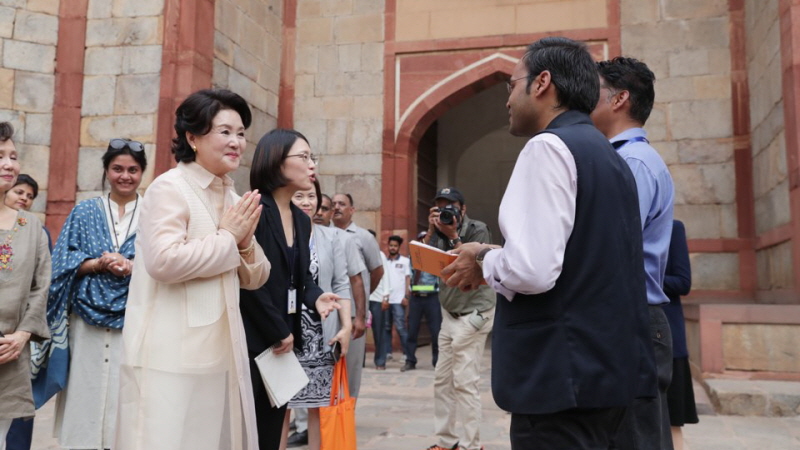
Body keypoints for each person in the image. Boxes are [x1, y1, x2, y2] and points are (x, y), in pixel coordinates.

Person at [442, 37, 656, 449]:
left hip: (560, 379)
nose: (506, 100)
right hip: (609, 372)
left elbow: (533, 269)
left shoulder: (548, 147)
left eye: (510, 85)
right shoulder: (609, 156)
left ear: (541, 83)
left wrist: (483, 261)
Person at [115, 89, 270, 450]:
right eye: (225, 132)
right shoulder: (169, 188)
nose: (236, 142)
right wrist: (229, 238)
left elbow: (258, 275)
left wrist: (244, 243)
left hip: (220, 354)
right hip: (169, 357)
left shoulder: (233, 197)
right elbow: (163, 261)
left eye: (241, 133)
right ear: (192, 137)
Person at [592, 56, 676, 450]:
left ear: (620, 98)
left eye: (595, 89)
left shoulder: (634, 162)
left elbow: (612, 246)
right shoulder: (622, 158)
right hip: (626, 319)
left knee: (636, 437)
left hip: (633, 320)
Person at [240, 128, 342, 450]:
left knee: (272, 432)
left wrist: (316, 296)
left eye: (313, 157)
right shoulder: (254, 210)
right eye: (303, 156)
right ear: (276, 161)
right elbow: (249, 284)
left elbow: (300, 280)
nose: (312, 164)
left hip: (284, 342)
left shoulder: (301, 218)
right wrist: (278, 330)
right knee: (247, 431)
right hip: (253, 337)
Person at [43, 137, 146, 450]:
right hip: (85, 323)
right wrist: (97, 264)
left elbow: (165, 263)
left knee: (126, 396)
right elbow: (60, 261)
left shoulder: (154, 214)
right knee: (84, 394)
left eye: (132, 169)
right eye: (117, 168)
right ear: (106, 170)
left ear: (142, 173)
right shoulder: (85, 211)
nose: (124, 176)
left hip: (136, 321)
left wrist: (131, 267)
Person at [288, 192, 366, 447]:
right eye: (299, 196)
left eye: (313, 196)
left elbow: (345, 283)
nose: (308, 203)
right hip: (283, 332)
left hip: (320, 334)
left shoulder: (333, 237)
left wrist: (348, 324)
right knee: (281, 406)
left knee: (317, 406)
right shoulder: (276, 232)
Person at [419, 187, 494, 450]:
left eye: (450, 205)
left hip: (475, 314)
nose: (445, 211)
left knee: (464, 381)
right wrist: (431, 232)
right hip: (449, 315)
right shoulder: (437, 231)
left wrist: (452, 237)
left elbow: (475, 263)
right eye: (440, 206)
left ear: (462, 208)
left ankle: (472, 445)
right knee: (442, 380)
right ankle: (446, 441)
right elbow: (423, 263)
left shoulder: (478, 229)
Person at [0, 122, 51, 448]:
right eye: (0, 155)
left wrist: (22, 335)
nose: (9, 163)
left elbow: (41, 284)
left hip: (10, 355)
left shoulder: (30, 226)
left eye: (13, 155)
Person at [332, 193, 384, 395]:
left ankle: (347, 413)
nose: (337, 207)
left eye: (342, 204)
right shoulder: (322, 234)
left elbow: (377, 271)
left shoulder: (364, 237)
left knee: (351, 366)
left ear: (351, 210)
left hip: (353, 312)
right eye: (334, 204)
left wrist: (361, 299)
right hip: (328, 311)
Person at [662, 220, 697, 450]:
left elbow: (683, 282)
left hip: (669, 337)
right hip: (631, 335)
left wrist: (640, 278)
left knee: (673, 422)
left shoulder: (672, 228)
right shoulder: (624, 224)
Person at [403, 231, 441, 372]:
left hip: (432, 297)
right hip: (417, 297)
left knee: (436, 332)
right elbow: (408, 277)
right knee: (412, 330)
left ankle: (437, 362)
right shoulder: (412, 258)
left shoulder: (436, 258)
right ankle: (410, 360)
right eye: (421, 240)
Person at [3, 174, 51, 252]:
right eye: (19, 192)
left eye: (30, 197)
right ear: (4, 193)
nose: (24, 198)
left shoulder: (38, 231)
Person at [383, 235, 411, 364]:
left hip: (399, 300)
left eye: (395, 246)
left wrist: (406, 296)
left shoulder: (405, 261)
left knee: (401, 327)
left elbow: (407, 279)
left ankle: (407, 353)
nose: (392, 248)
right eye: (391, 245)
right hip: (386, 299)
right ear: (388, 246)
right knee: (386, 327)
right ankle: (388, 352)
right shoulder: (384, 261)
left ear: (399, 247)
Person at [368, 247, 392, 369]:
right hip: (361, 298)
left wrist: (386, 297)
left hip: (377, 298)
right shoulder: (355, 251)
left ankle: (380, 361)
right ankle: (358, 362)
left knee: (379, 331)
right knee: (358, 331)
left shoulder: (379, 254)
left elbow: (385, 274)